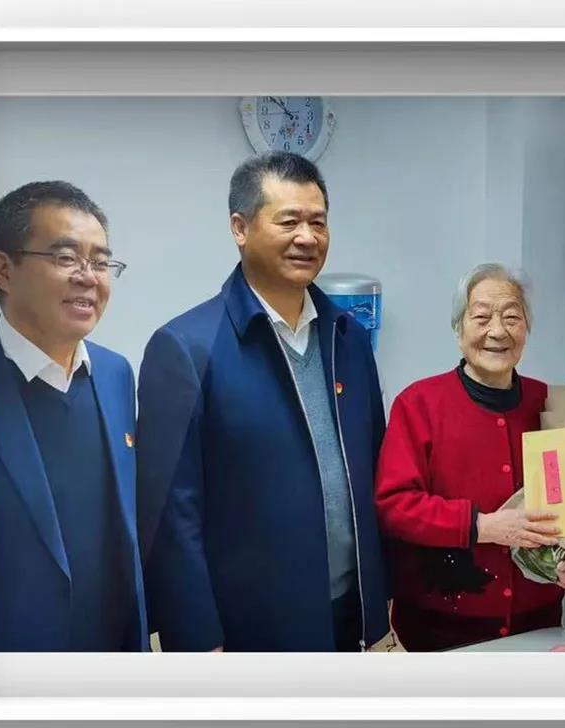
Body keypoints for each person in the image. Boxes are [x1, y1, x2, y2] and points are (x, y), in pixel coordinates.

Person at [136, 152, 389, 652]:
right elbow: (170, 514)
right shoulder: (186, 348)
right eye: (289, 221)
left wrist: (383, 596)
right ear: (240, 227)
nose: (307, 237)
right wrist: (198, 639)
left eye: (318, 222)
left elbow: (373, 471)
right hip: (248, 629)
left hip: (350, 615)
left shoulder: (348, 338)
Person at [374, 264, 565, 651]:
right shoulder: (419, 404)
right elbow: (394, 506)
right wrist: (482, 526)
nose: (498, 331)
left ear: (526, 329)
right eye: (481, 317)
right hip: (441, 631)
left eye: (512, 317)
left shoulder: (551, 402)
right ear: (458, 330)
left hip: (538, 626)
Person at [0, 181, 147, 651]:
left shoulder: (116, 375)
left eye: (100, 262)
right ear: (4, 269)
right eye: (65, 258)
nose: (88, 277)